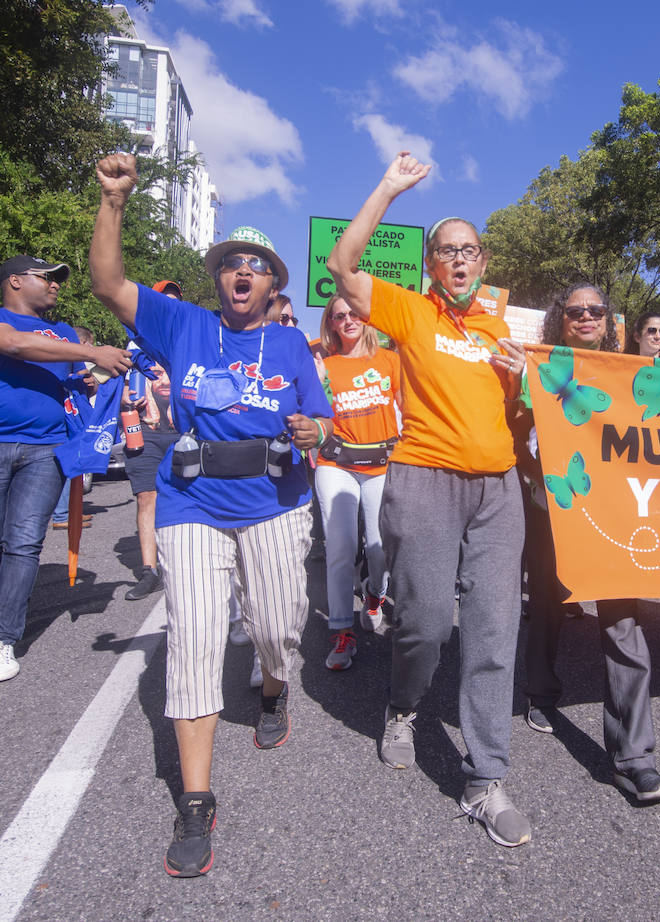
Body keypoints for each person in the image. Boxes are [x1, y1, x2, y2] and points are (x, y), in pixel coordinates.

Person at [92, 152, 334, 878]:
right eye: (232, 260)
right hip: (192, 502)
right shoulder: (183, 325)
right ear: (218, 274)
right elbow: (107, 283)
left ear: (272, 284)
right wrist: (113, 201)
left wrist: (312, 433)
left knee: (275, 626)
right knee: (195, 636)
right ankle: (196, 800)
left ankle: (270, 685)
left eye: (256, 264)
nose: (242, 270)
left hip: (275, 501)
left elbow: (322, 423)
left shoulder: (292, 342)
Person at [327, 151, 532, 848]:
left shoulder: (504, 332)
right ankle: (404, 706)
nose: (459, 260)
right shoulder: (410, 312)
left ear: (483, 259)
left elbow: (559, 403)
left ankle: (486, 778)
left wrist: (526, 379)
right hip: (424, 479)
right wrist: (387, 187)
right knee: (423, 623)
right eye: (446, 251)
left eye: (468, 250)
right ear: (433, 264)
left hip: (498, 490)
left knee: (494, 629)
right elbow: (341, 266)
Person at [517, 283, 660, 801]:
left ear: (609, 322)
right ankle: (540, 690)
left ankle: (634, 756)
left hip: (615, 516)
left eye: (595, 311)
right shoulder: (539, 368)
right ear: (559, 318)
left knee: (623, 621)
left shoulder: (630, 375)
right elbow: (519, 431)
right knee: (547, 604)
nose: (585, 317)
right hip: (553, 507)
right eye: (574, 309)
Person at [0, 255, 132, 683]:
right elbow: (16, 346)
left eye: (60, 279)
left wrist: (91, 376)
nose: (57, 284)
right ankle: (2, 600)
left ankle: (0, 636)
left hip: (47, 449)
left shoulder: (63, 333)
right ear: (15, 282)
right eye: (48, 277)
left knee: (23, 543)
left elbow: (76, 381)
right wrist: (92, 350)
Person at [314, 294, 402, 668]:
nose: (348, 320)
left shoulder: (390, 360)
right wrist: (317, 383)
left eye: (354, 314)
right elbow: (313, 415)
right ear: (331, 323)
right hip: (336, 463)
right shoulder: (325, 364)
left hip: (381, 463)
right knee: (340, 546)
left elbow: (408, 411)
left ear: (366, 318)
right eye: (339, 316)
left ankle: (375, 593)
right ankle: (341, 632)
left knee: (379, 547)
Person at [124, 283, 183, 602]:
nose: (169, 307)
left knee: (181, 499)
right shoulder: (136, 340)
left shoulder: (188, 341)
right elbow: (121, 371)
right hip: (144, 429)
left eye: (175, 302)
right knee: (147, 497)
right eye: (164, 301)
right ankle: (150, 571)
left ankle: (183, 561)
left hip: (181, 433)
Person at [50, 324, 99, 530]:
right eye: (88, 344)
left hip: (71, 417)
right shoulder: (60, 356)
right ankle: (62, 514)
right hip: (64, 419)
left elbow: (88, 381)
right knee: (68, 465)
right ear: (82, 342)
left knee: (73, 466)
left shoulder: (73, 359)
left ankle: (70, 511)